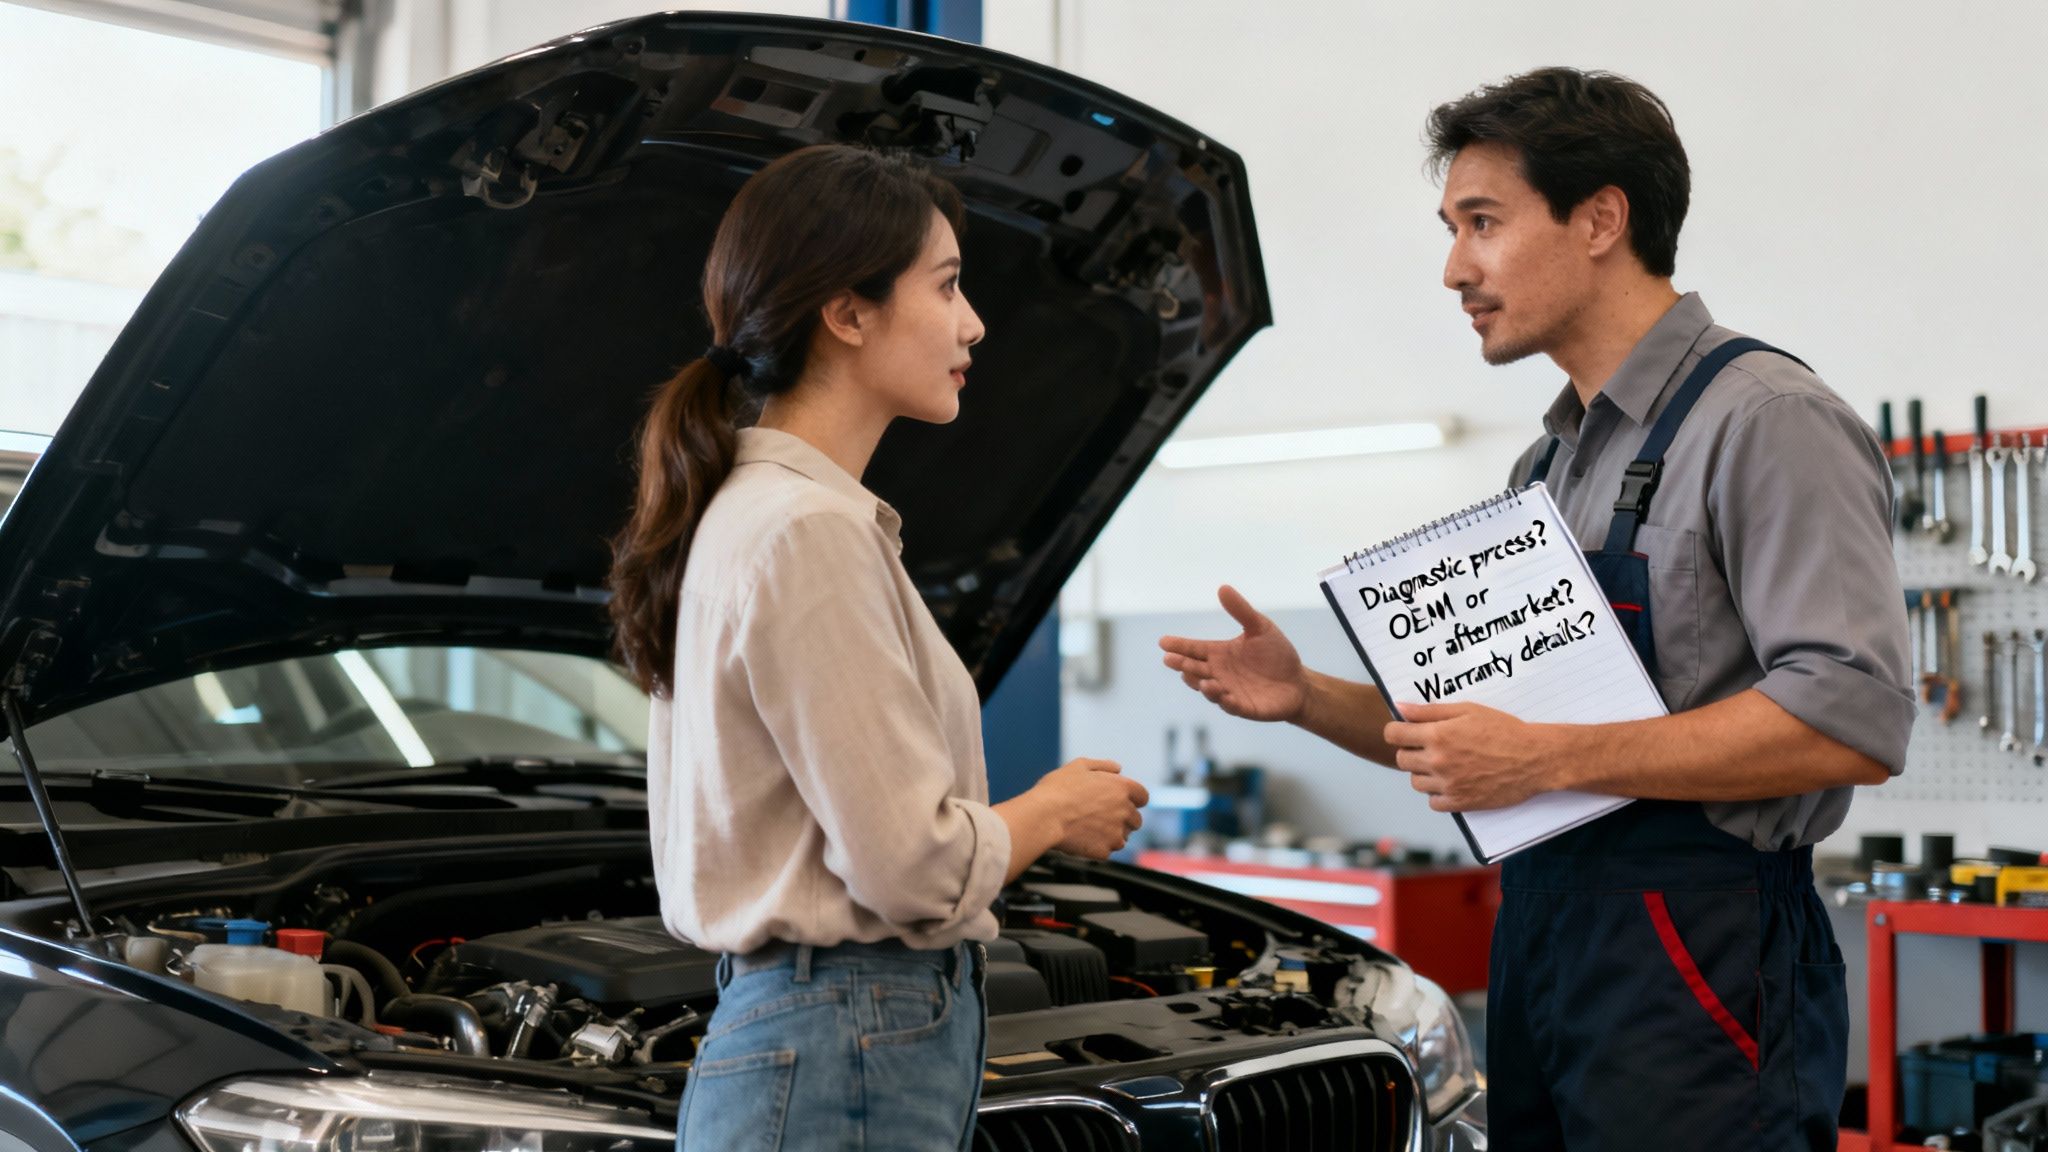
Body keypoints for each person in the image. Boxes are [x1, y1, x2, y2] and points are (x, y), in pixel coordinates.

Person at [1160, 68, 1909, 1151]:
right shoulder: (1543, 466)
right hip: (1545, 937)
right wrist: (1304, 698)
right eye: (1451, 227)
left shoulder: (1765, 421)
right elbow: (1491, 745)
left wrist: (1548, 759)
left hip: (1702, 953)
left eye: (1481, 223)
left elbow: (1848, 719)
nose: (1454, 267)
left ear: (1599, 217)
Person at [609, 144, 1149, 1151]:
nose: (973, 322)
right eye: (945, 286)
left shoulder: (753, 513)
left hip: (822, 1036)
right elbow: (909, 868)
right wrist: (1050, 811)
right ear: (847, 313)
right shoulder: (805, 530)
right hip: (848, 1034)